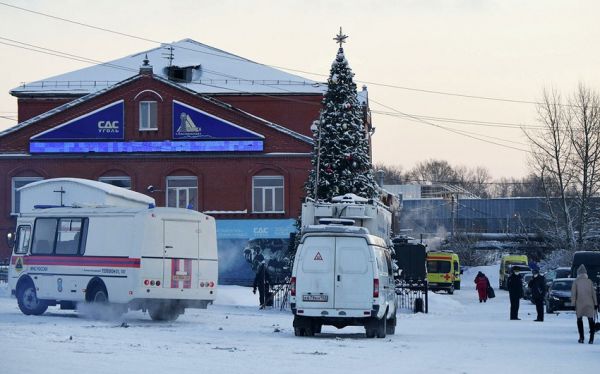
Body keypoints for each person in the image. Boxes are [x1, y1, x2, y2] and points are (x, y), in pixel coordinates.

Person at [571, 264, 598, 344]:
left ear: (578, 274)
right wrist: (596, 303)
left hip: (579, 304)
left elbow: (573, 294)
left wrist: (573, 304)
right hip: (590, 303)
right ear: (586, 273)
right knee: (591, 320)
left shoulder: (576, 282)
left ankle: (581, 337)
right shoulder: (589, 282)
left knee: (579, 320)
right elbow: (593, 294)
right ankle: (591, 338)